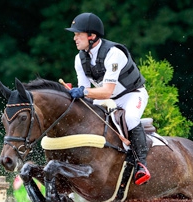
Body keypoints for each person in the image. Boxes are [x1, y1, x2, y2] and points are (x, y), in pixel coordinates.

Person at [65, 13, 151, 185]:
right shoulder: (79, 58)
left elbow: (106, 92)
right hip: (105, 97)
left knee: (131, 118)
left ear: (92, 36)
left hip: (131, 95)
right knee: (87, 115)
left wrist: (82, 92)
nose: (74, 38)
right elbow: (85, 90)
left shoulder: (114, 53)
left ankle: (141, 164)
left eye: (78, 34)